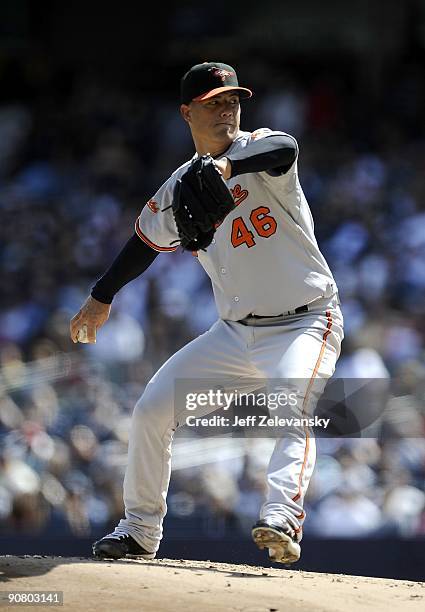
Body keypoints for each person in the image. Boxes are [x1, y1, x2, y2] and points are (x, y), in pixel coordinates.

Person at [70, 61, 344, 564]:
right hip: (235, 333)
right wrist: (101, 296)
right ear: (186, 112)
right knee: (153, 409)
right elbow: (143, 243)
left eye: (233, 101)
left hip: (306, 320)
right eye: (214, 103)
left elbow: (286, 147)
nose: (227, 111)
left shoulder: (257, 150)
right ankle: (139, 529)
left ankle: (282, 516)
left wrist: (228, 168)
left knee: (290, 402)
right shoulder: (178, 187)